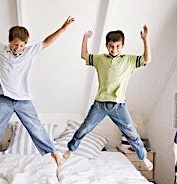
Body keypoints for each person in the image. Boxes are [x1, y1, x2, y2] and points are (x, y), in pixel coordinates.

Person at [0, 9, 74, 176]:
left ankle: (53, 154)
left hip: (23, 100)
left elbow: (47, 41)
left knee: (36, 127)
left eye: (22, 45)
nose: (18, 48)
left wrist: (63, 29)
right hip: (5, 99)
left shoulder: (28, 52)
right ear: (9, 42)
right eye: (16, 44)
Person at [63, 26, 153, 171]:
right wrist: (85, 39)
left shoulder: (128, 60)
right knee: (85, 128)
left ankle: (143, 157)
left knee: (131, 133)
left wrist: (145, 39)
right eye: (111, 46)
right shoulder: (100, 59)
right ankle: (70, 150)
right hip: (100, 104)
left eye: (117, 46)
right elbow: (84, 55)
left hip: (119, 106)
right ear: (107, 46)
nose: (114, 49)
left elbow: (147, 59)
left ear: (122, 46)